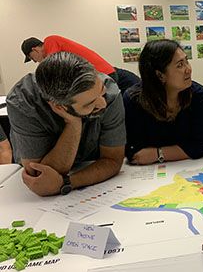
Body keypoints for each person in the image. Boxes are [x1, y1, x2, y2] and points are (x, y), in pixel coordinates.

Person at [7, 52, 126, 196]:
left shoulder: (109, 90)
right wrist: (74, 124)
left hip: (87, 172)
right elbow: (39, 176)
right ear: (59, 107)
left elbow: (113, 160)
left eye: (102, 92)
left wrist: (66, 183)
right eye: (90, 104)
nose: (103, 103)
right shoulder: (23, 102)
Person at [123, 39, 203, 164]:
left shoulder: (199, 95)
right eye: (180, 65)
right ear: (160, 75)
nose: (189, 69)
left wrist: (158, 154)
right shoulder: (134, 100)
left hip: (188, 166)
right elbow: (134, 152)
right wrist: (183, 150)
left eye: (187, 61)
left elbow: (201, 145)